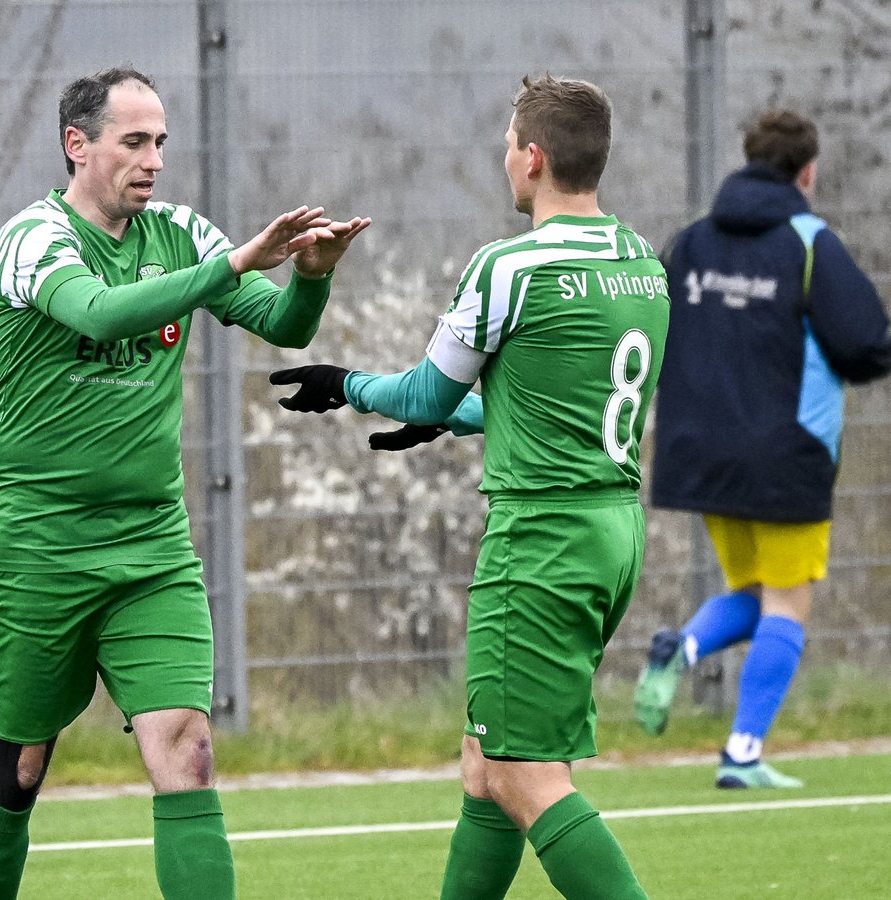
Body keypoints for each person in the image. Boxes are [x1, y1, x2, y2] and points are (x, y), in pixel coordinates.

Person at [0, 65, 369, 899]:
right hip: (38, 545)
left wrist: (312, 275)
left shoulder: (179, 233)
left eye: (161, 143)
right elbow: (100, 312)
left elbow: (284, 325)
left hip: (152, 547)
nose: (153, 160)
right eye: (134, 142)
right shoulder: (32, 238)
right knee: (19, 768)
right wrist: (236, 263)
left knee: (188, 749)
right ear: (77, 145)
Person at [272, 74, 662, 899]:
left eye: (508, 146)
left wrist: (346, 383)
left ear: (533, 157)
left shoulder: (509, 265)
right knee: (486, 766)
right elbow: (560, 404)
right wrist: (461, 418)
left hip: (541, 540)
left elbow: (422, 392)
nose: (504, 159)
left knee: (523, 776)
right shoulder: (641, 263)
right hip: (613, 529)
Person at [635, 109, 891, 789]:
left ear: (748, 160)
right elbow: (867, 345)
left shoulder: (690, 242)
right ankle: (742, 753)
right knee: (789, 603)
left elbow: (651, 332)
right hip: (786, 455)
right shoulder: (810, 243)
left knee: (756, 593)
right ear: (807, 173)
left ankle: (681, 648)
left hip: (700, 453)